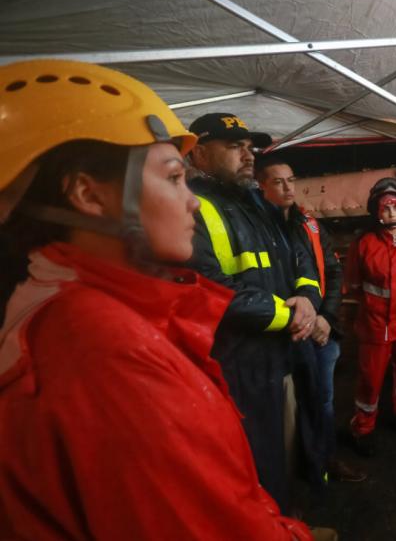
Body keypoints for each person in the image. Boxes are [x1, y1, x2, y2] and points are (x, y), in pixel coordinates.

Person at [0, 59, 335, 540]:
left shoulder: (60, 306)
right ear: (88, 196)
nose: (193, 201)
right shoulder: (109, 355)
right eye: (174, 177)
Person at [187, 112, 323, 512]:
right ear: (199, 154)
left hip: (280, 354)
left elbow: (301, 256)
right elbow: (207, 287)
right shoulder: (193, 208)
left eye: (249, 148)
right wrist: (291, 315)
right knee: (252, 465)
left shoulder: (256, 203)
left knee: (281, 453)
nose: (248, 156)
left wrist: (308, 299)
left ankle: (284, 524)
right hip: (236, 365)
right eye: (234, 147)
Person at [255, 158, 366, 485]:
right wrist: (303, 321)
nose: (289, 187)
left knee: (324, 399)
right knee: (291, 406)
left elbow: (331, 271)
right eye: (278, 182)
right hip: (286, 333)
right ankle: (298, 471)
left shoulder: (310, 224)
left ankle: (325, 461)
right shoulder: (261, 229)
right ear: (262, 187)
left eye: (291, 180)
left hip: (321, 331)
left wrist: (326, 318)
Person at [344, 178, 396, 457]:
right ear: (375, 211)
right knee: (371, 378)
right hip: (374, 323)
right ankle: (363, 427)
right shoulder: (364, 244)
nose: (391, 211)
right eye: (385, 206)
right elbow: (353, 284)